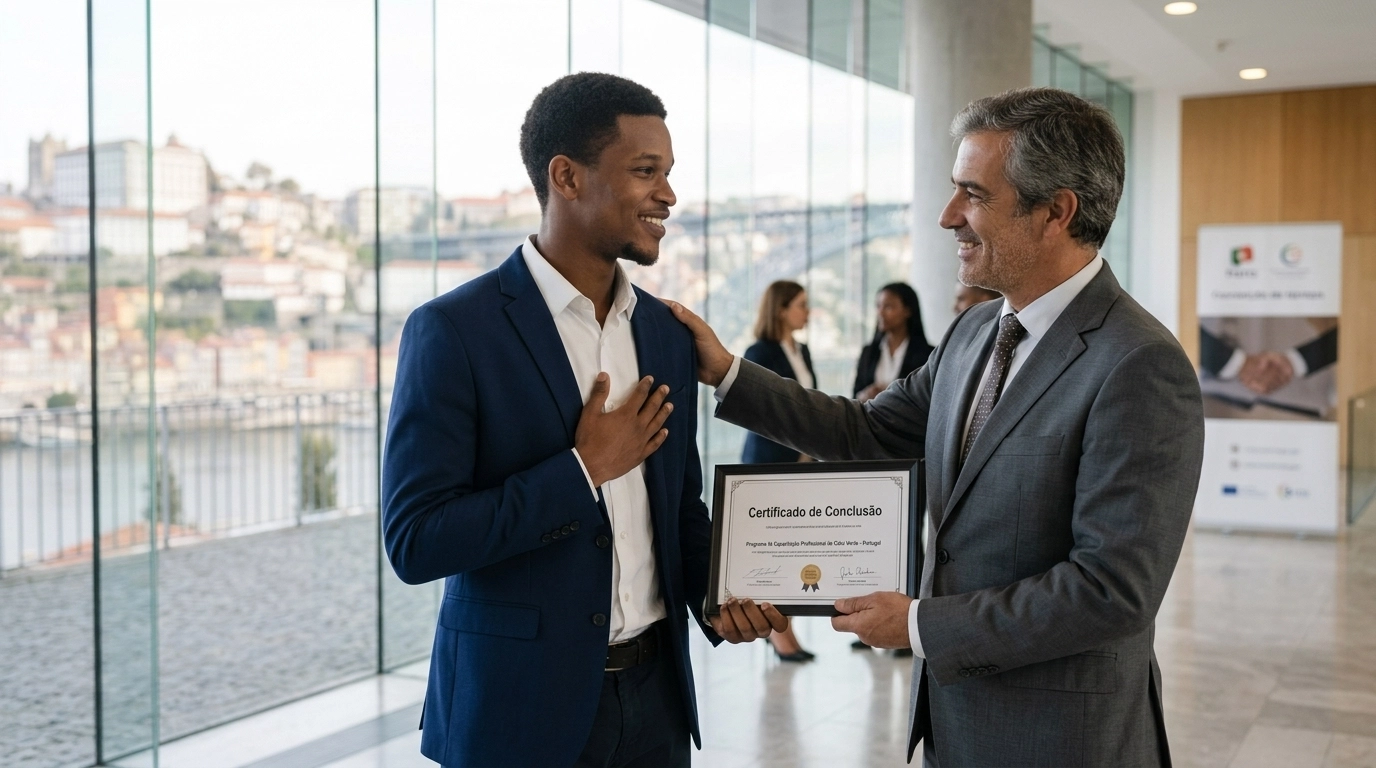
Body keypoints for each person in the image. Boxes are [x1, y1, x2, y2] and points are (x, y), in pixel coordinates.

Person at [665, 86, 1204, 766]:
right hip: (956, 723)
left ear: (1057, 212)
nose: (949, 216)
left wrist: (919, 622)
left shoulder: (1139, 364)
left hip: (1064, 739)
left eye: (973, 194)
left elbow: (1111, 591)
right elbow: (866, 433)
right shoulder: (976, 331)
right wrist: (726, 372)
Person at [382, 73, 785, 768]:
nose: (668, 195)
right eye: (644, 171)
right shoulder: (453, 331)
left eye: (668, 173)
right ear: (566, 177)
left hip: (657, 705)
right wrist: (581, 469)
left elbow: (677, 507)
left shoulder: (664, 333)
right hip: (515, 713)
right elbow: (417, 542)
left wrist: (718, 595)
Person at [740, 280, 817, 663]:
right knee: (774, 553)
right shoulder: (760, 352)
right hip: (769, 466)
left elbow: (811, 406)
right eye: (801, 305)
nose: (807, 312)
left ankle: (782, 630)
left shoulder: (801, 351)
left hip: (801, 467)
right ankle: (778, 633)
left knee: (794, 551)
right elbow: (759, 412)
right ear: (781, 309)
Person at [853, 283, 935, 404]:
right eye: (878, 306)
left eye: (888, 307)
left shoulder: (928, 355)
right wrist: (865, 394)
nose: (880, 313)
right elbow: (854, 396)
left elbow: (927, 400)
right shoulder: (869, 352)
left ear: (907, 311)